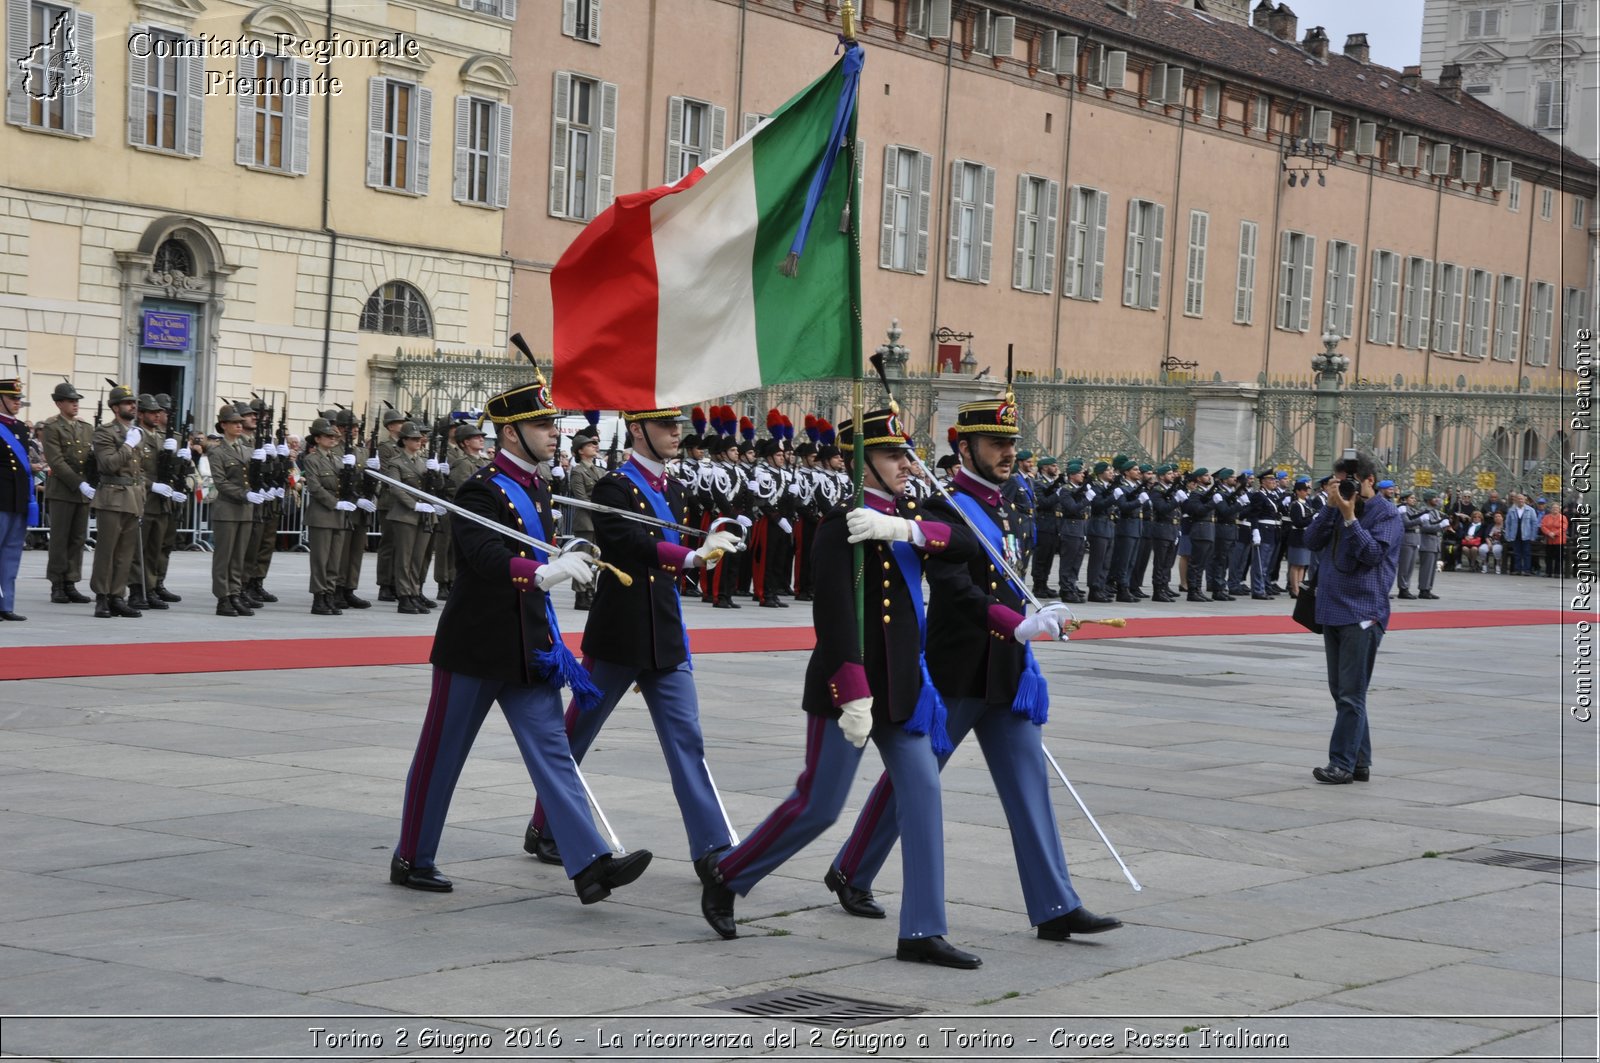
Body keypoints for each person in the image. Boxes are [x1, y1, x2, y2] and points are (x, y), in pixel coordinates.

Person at [822, 395, 1122, 945]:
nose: (1008, 453)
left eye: (1011, 444)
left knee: (1030, 785)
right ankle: (852, 869)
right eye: (996, 444)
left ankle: (1055, 902)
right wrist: (1016, 623)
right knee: (913, 780)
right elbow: (956, 589)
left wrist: (1038, 615)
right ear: (964, 448)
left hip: (1008, 666)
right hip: (958, 663)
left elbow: (1010, 574)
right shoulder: (945, 506)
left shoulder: (1009, 503)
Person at [698, 407, 983, 968]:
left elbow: (968, 543)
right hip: (847, 686)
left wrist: (906, 528)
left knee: (923, 797)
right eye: (892, 455)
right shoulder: (839, 524)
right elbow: (832, 616)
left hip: (901, 686)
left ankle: (922, 930)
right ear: (862, 463)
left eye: (906, 454)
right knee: (819, 807)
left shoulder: (904, 513)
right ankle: (728, 874)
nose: (906, 463)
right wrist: (851, 687)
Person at [391, 372, 653, 903]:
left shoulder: (537, 486)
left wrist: (567, 554)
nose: (553, 433)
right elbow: (485, 558)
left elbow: (543, 547)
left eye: (552, 424)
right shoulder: (479, 489)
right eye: (541, 425)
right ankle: (412, 856)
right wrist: (541, 573)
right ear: (511, 433)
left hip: (529, 644)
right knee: (443, 753)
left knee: (554, 752)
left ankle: (590, 864)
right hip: (476, 644)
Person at [522, 404, 743, 876]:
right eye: (666, 425)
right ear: (638, 430)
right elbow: (628, 544)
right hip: (619, 634)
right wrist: (689, 558)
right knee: (575, 737)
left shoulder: (676, 488)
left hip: (664, 632)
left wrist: (711, 547)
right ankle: (545, 827)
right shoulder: (613, 487)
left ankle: (713, 848)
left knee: (688, 741)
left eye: (678, 425)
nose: (675, 433)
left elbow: (674, 556)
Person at [1302, 452, 1402, 785]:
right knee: (1342, 691)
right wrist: (1332, 507)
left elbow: (1372, 554)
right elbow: (1311, 541)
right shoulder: (1335, 506)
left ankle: (1341, 764)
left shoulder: (1386, 514)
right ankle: (1360, 762)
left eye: (1349, 481)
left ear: (1369, 481)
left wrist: (1350, 519)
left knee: (1351, 694)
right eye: (1339, 480)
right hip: (1331, 609)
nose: (1344, 486)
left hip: (1363, 613)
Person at [89, 384, 147, 619]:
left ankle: (117, 596)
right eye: (127, 403)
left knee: (125, 552)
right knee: (107, 550)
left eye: (133, 403)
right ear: (115, 407)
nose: (132, 406)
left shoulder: (136, 432)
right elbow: (108, 464)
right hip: (112, 496)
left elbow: (137, 469)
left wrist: (141, 491)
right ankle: (101, 597)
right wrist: (128, 444)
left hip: (132, 497)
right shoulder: (105, 432)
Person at [40, 381, 94, 605]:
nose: (75, 405)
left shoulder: (86, 427)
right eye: (71, 401)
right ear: (59, 403)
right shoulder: (52, 427)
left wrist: (91, 480)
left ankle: (71, 581)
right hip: (63, 490)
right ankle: (57, 583)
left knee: (77, 539)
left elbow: (91, 459)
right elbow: (57, 461)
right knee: (60, 539)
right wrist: (78, 482)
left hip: (81, 492)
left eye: (76, 401)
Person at [208, 405, 258, 616]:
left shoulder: (248, 450)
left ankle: (235, 593)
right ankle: (223, 598)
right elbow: (221, 482)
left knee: (238, 556)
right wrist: (243, 494)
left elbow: (256, 478)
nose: (240, 426)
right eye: (235, 423)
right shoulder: (217, 451)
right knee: (224, 557)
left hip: (245, 511)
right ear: (223, 425)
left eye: (241, 422)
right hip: (227, 510)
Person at [302, 418, 354, 615]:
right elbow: (315, 487)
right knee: (320, 560)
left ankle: (329, 594)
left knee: (334, 560)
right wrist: (335, 502)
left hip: (339, 516)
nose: (333, 439)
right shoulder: (312, 459)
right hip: (322, 515)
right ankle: (319, 597)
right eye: (328, 436)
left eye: (334, 436)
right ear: (317, 439)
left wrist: (352, 470)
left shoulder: (338, 460)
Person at [386, 423, 436, 614]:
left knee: (418, 559)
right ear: (404, 440)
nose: (419, 441)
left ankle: (414, 593)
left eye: (419, 439)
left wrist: (438, 472)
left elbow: (436, 486)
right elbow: (395, 488)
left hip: (425, 515)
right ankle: (404, 596)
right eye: (414, 439)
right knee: (404, 559)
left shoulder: (425, 462)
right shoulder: (396, 462)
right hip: (405, 514)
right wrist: (414, 504)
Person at [0, 377, 36, 620]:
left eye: (19, 399)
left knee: (11, 554)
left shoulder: (21, 428)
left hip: (17, 499)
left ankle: (5, 605)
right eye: (13, 398)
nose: (17, 403)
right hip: (0, 498)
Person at [564, 430, 606, 610]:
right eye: (590, 445)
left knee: (595, 558)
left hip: (597, 520)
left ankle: (591, 591)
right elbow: (581, 498)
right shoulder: (577, 471)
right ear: (580, 451)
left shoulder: (599, 470)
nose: (594, 447)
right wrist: (601, 508)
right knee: (582, 558)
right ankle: (581, 595)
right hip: (586, 521)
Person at [1415, 491, 1444, 599]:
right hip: (1427, 541)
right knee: (1426, 568)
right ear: (1428, 499)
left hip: (1434, 541)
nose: (1436, 499)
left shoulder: (1435, 511)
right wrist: (1441, 525)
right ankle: (1423, 589)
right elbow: (1425, 527)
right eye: (1434, 497)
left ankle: (1428, 588)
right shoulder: (1424, 511)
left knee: (1432, 568)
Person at [1503, 493, 1538, 576]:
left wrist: (1533, 536)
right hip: (1515, 535)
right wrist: (1507, 535)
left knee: (1526, 553)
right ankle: (1517, 569)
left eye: (1522, 499)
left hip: (1526, 535)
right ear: (1515, 500)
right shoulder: (1511, 510)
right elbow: (1508, 524)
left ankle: (1526, 570)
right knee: (1517, 553)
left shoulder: (1530, 510)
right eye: (1518, 499)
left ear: (1525, 500)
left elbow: (1534, 523)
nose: (1520, 500)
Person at [1539, 501, 1567, 577]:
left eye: (1557, 508)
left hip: (1559, 540)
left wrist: (1554, 533)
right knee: (1548, 557)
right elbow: (1543, 526)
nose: (1555, 509)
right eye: (1553, 508)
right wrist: (1549, 533)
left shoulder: (1563, 517)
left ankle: (1557, 573)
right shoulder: (1546, 517)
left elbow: (1563, 528)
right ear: (1551, 509)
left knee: (1559, 557)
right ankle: (1548, 572)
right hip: (1549, 540)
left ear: (1559, 509)